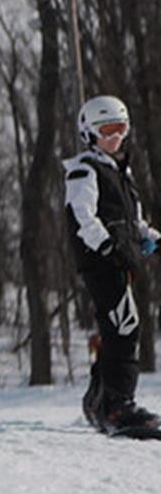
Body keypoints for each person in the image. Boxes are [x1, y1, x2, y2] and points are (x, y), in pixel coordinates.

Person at [64, 95, 161, 435]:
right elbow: (83, 217)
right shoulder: (84, 170)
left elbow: (132, 221)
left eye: (120, 129)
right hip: (101, 261)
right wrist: (107, 247)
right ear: (89, 133)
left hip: (121, 260)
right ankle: (118, 406)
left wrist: (152, 237)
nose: (114, 138)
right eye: (106, 130)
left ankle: (99, 398)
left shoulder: (120, 171)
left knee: (118, 327)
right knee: (124, 327)